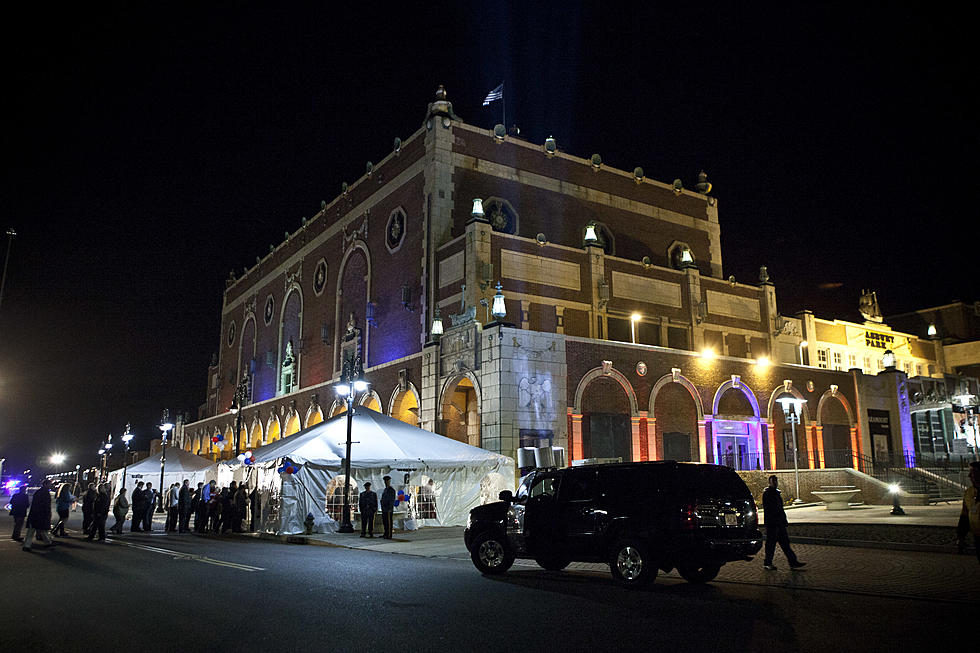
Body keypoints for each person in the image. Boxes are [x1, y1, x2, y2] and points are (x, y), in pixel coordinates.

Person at [761, 475, 805, 570]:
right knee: (771, 544)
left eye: (776, 481)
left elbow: (780, 509)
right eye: (774, 482)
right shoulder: (768, 494)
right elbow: (770, 509)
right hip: (773, 524)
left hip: (779, 523)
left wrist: (783, 521)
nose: (775, 483)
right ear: (770, 483)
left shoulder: (776, 493)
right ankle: (768, 563)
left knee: (785, 544)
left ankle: (792, 561)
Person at [957, 461, 980, 564]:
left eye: (974, 472)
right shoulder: (969, 493)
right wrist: (961, 537)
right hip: (978, 537)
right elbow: (964, 516)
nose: (970, 475)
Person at [23, 479, 55, 552]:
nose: (51, 486)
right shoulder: (45, 493)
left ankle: (27, 545)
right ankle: (47, 543)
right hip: (41, 514)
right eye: (50, 484)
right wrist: (48, 515)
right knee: (42, 530)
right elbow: (46, 506)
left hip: (35, 514)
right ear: (46, 485)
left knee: (32, 530)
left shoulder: (38, 492)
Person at [380, 475, 396, 539]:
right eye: (385, 481)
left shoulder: (391, 490)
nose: (386, 482)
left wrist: (389, 508)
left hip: (388, 509)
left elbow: (392, 499)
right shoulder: (385, 489)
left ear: (389, 481)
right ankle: (385, 533)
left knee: (389, 522)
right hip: (384, 508)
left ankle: (389, 534)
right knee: (385, 522)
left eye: (387, 481)